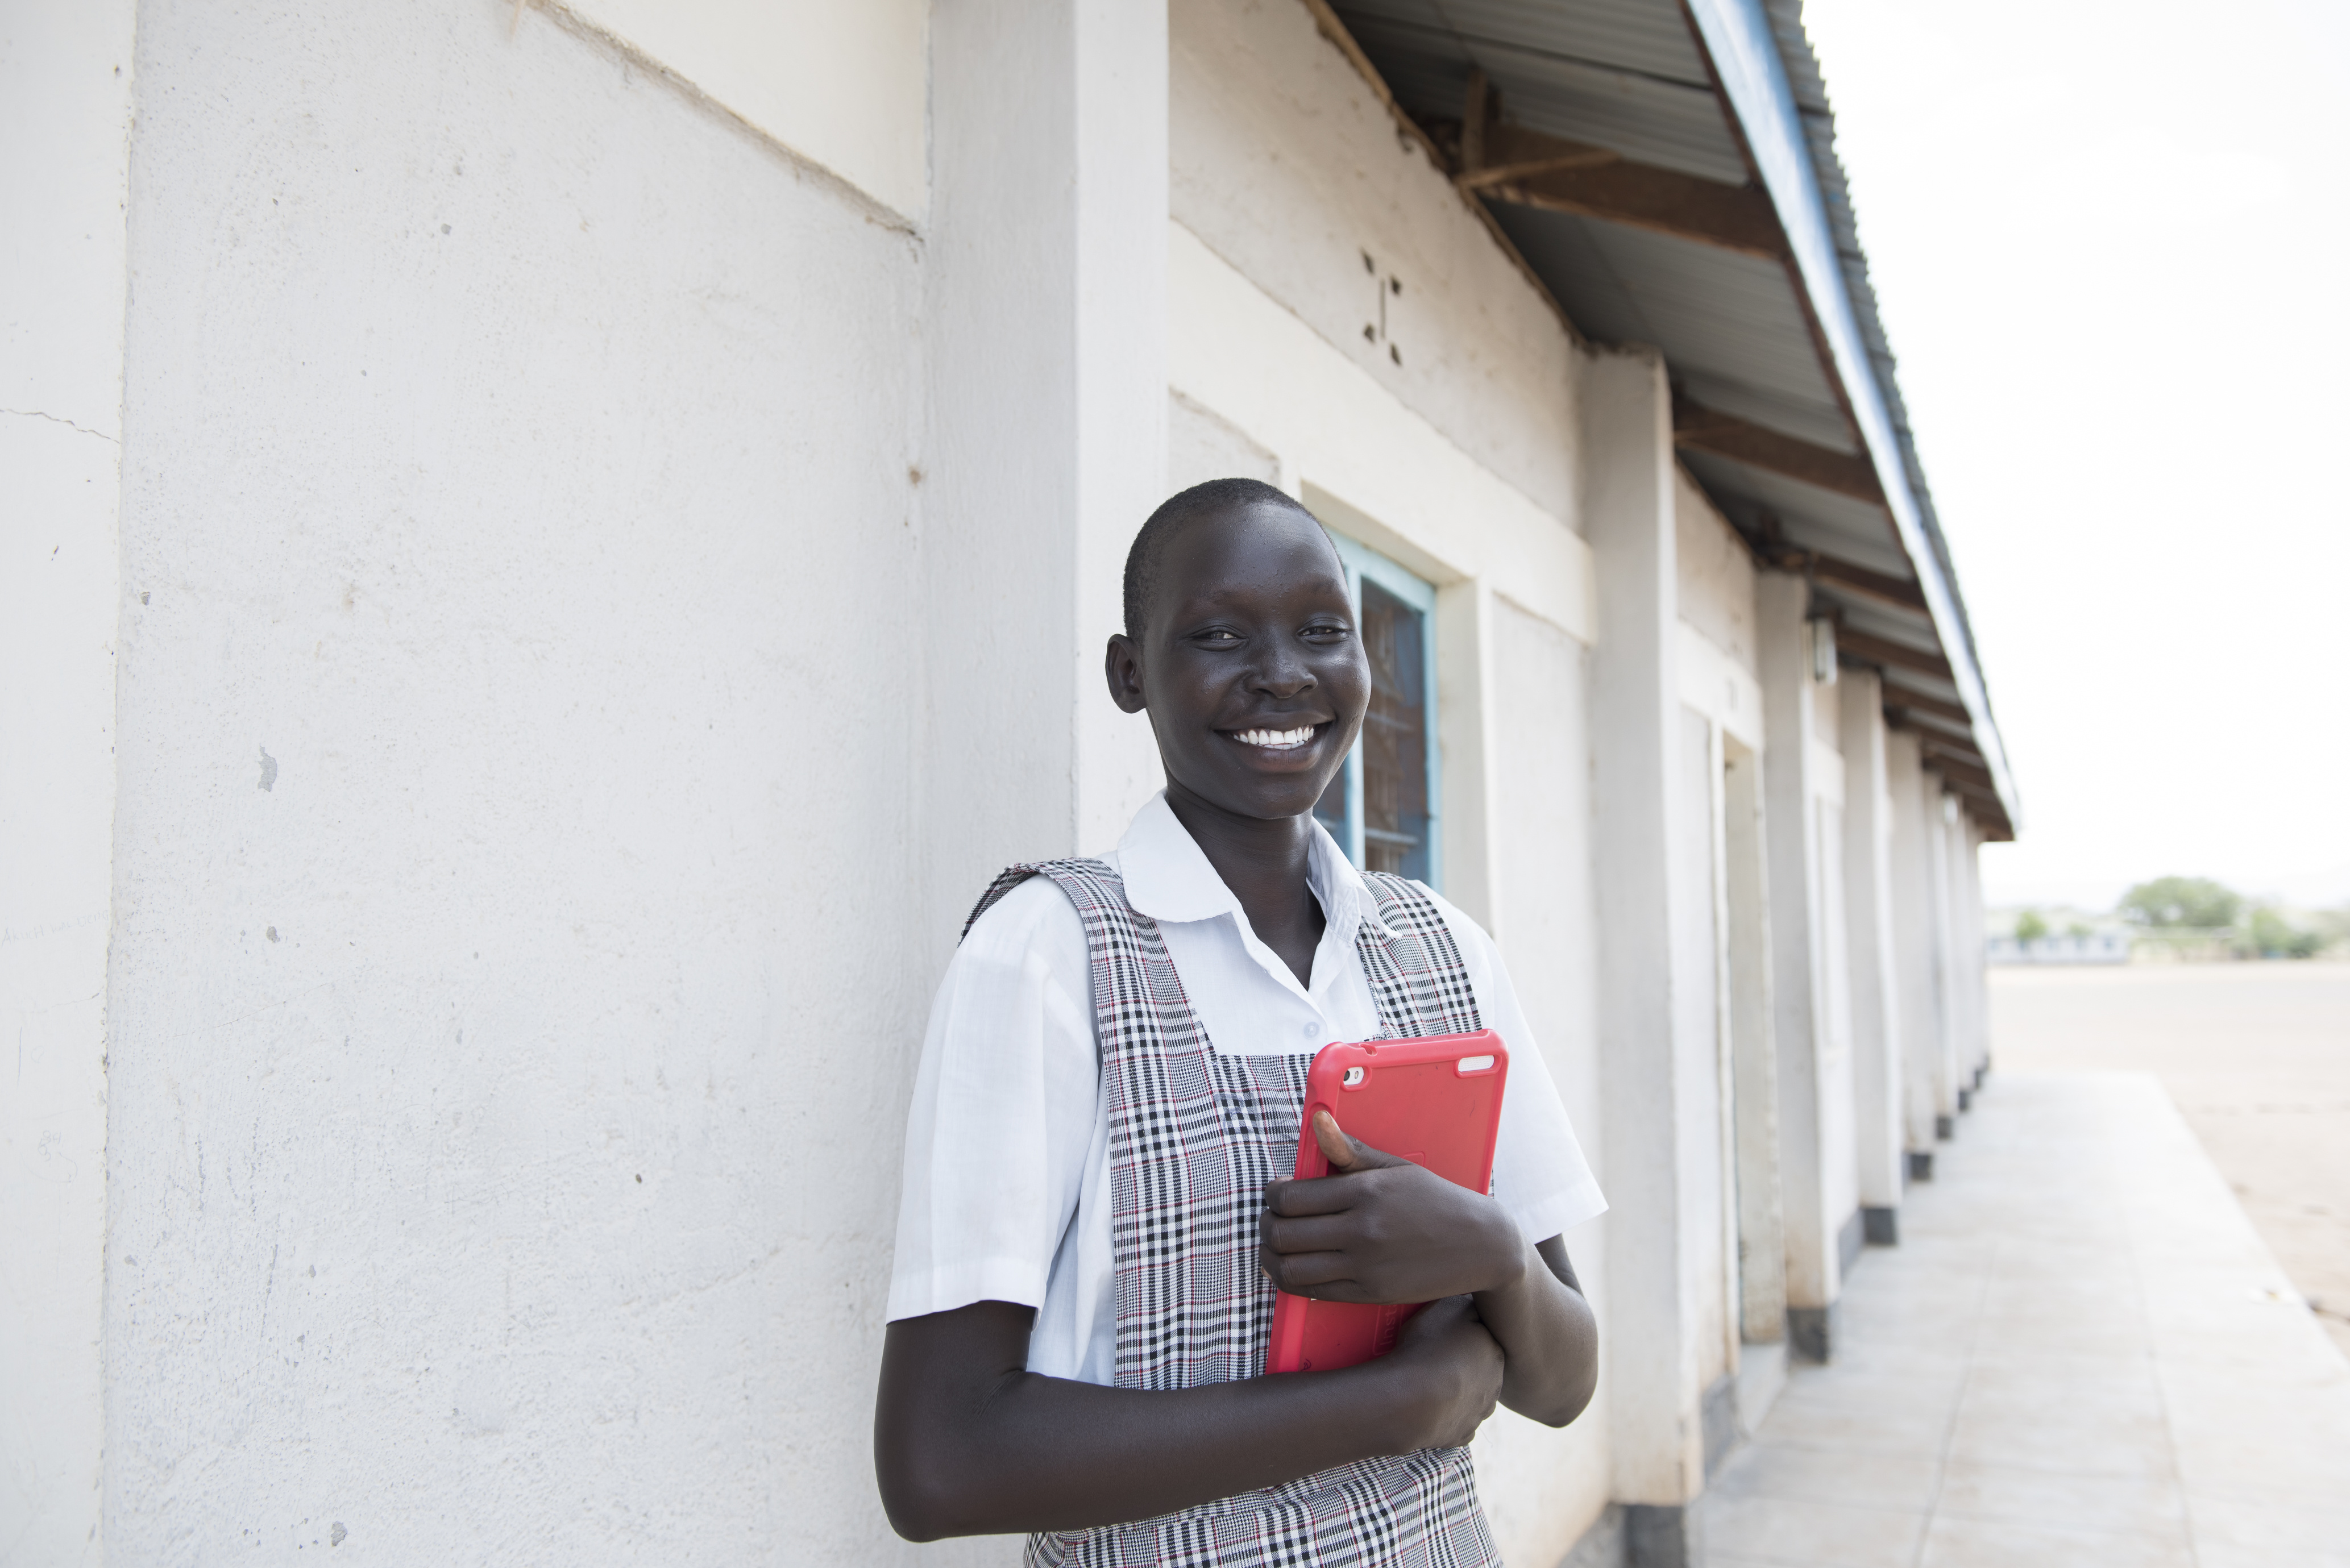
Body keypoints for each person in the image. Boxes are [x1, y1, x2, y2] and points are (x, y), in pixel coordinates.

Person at [874, 479, 1605, 1566]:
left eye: (1323, 632)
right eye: (1218, 634)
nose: (1282, 674)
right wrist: (1390, 1406)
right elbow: (938, 1463)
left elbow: (1563, 1382)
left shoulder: (1440, 950)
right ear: (1132, 674)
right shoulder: (1048, 954)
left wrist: (1497, 1255)